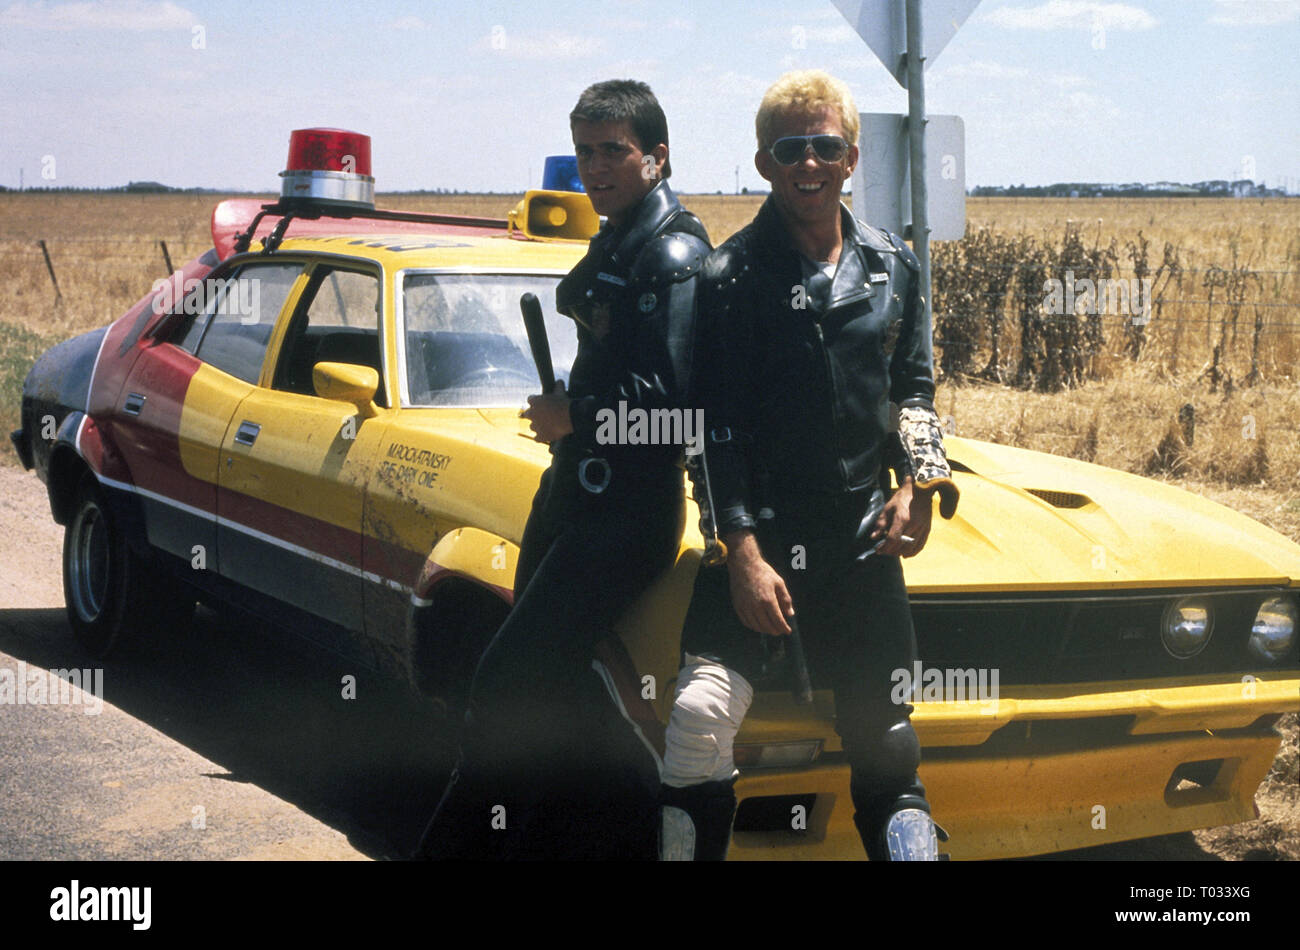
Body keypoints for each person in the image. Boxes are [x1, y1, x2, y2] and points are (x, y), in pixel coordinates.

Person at [659, 70, 959, 861]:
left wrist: (919, 487)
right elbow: (712, 432)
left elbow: (914, 392)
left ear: (852, 157)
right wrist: (743, 556)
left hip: (859, 545)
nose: (809, 164)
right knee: (696, 720)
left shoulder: (895, 266)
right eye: (791, 150)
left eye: (825, 147)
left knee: (889, 744)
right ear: (764, 163)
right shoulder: (726, 280)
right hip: (756, 546)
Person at [416, 79, 711, 860]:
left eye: (613, 150)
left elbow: (678, 414)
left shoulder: (674, 253)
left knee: (506, 685)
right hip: (576, 493)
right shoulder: (617, 236)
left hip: (627, 516)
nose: (595, 167)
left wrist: (576, 417)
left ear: (658, 155)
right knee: (564, 690)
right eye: (585, 151)